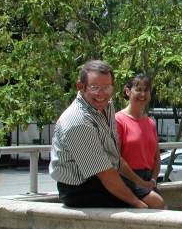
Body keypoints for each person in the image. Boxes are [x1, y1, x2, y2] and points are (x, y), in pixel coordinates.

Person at [50, 60, 164, 209]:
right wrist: (137, 203)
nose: (101, 94)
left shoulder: (106, 106)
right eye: (94, 87)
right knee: (153, 204)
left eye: (106, 87)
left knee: (157, 202)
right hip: (80, 187)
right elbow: (104, 172)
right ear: (80, 86)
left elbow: (113, 157)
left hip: (103, 177)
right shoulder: (77, 121)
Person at [115, 73, 165, 208]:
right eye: (138, 90)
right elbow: (116, 158)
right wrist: (140, 183)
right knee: (157, 204)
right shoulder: (118, 120)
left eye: (146, 90)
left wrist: (152, 181)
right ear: (127, 91)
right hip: (127, 179)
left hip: (148, 180)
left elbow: (156, 158)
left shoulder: (150, 123)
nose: (142, 94)